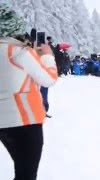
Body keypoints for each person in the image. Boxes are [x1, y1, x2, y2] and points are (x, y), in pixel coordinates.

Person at [0, 3, 58, 180]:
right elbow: (49, 78)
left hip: (3, 122)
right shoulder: (18, 52)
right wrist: (47, 55)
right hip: (24, 120)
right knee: (26, 173)